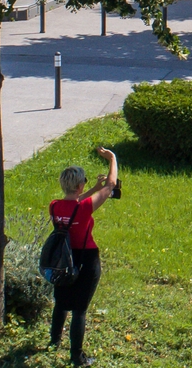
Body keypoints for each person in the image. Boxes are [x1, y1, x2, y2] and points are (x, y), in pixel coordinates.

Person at [49, 148, 118, 367]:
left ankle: (54, 341)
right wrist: (112, 159)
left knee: (60, 303)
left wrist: (92, 189)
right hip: (85, 260)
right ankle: (77, 357)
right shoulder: (85, 207)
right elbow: (111, 186)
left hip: (62, 259)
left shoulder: (54, 206)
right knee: (79, 309)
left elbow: (73, 206)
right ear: (79, 186)